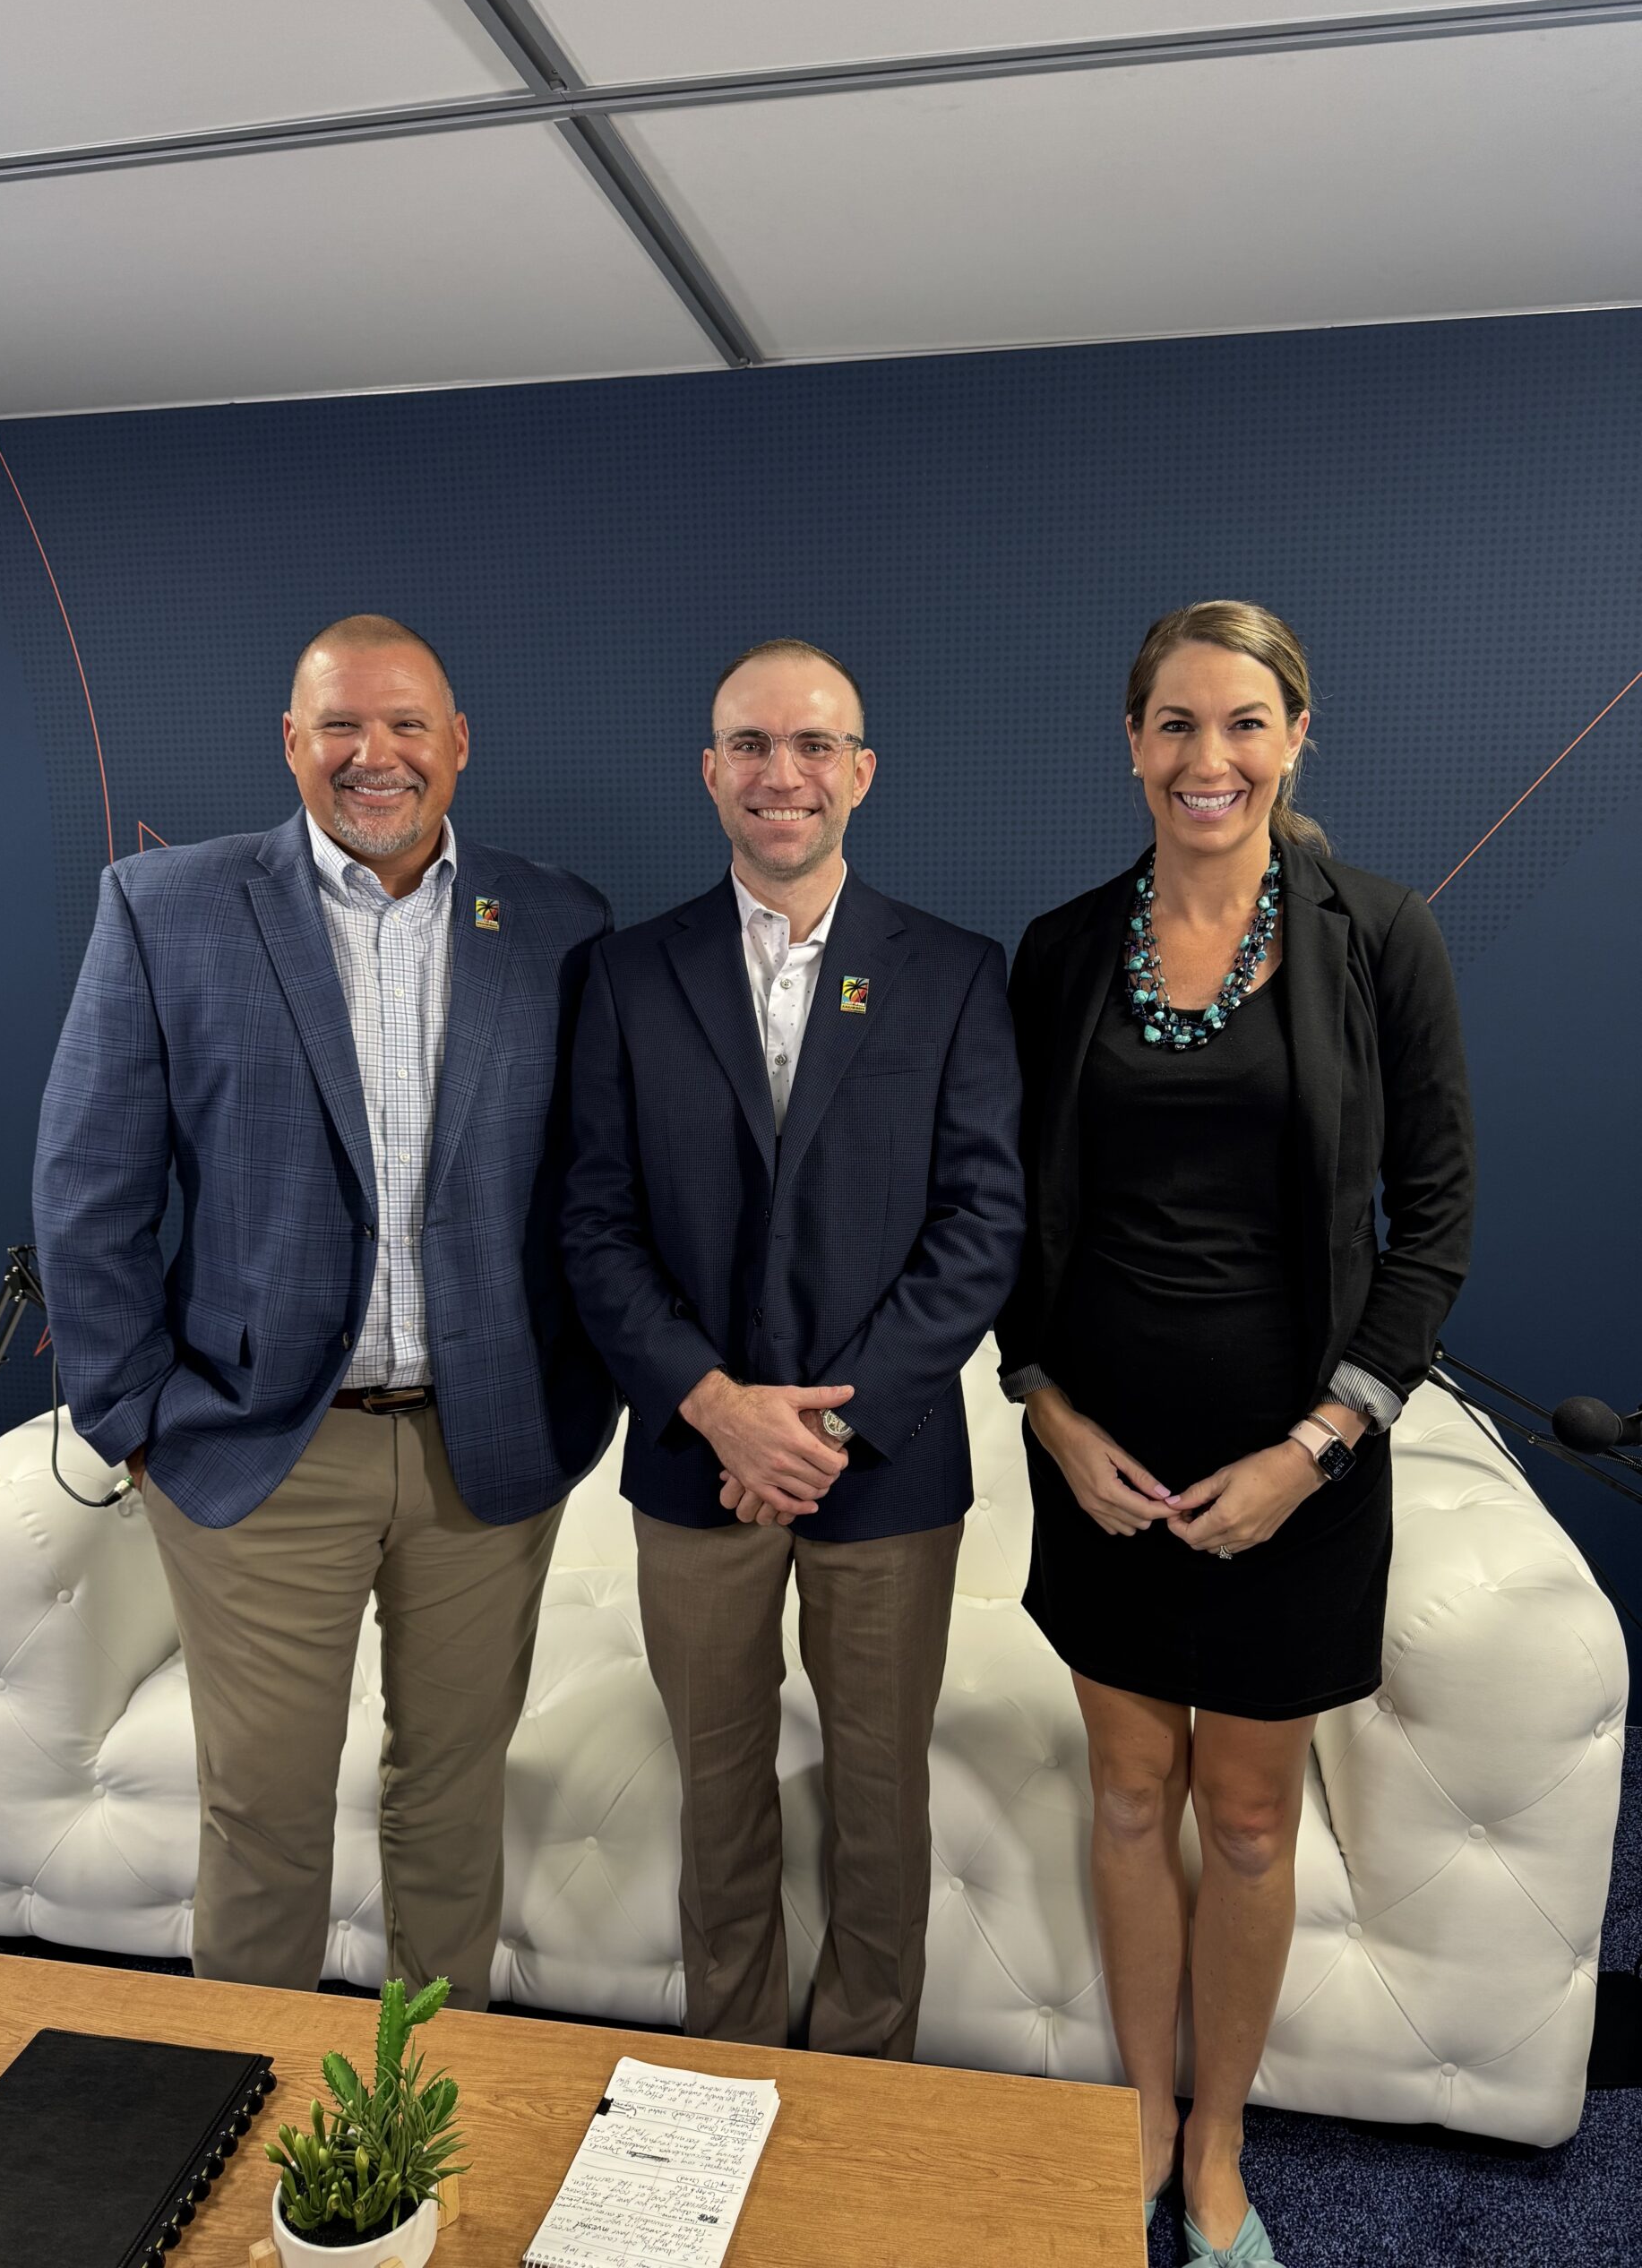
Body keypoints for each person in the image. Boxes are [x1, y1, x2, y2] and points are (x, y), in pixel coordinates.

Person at [33, 614, 617, 2006]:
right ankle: (240, 2120)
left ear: (458, 747)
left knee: (452, 1800)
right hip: (262, 1448)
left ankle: (422, 2121)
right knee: (266, 1816)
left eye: (409, 725)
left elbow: (599, 1191)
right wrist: (139, 1417)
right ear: (291, 744)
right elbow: (88, 1182)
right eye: (341, 726)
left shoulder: (557, 921)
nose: (377, 756)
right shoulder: (165, 908)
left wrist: (576, 1394)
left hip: (488, 1448)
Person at [998, 601, 1474, 2262]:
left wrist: (1320, 1444)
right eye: (1177, 726)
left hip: (1303, 1471)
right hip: (1101, 1468)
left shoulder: (1381, 935)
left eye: (1246, 725)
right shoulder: (1061, 951)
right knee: (1131, 1797)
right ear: (1132, 745)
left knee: (1252, 1816)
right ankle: (1138, 2112)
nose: (1211, 760)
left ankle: (1218, 2149)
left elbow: (1436, 1220)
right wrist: (1043, 1408)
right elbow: (1005, 1220)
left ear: (1294, 740)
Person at [563, 638, 1024, 2058]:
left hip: (881, 1471)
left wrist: (825, 1426)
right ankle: (728, 2072)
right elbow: (593, 1226)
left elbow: (983, 1222)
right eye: (752, 746)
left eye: (815, 746)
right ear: (711, 773)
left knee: (882, 1796)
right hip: (694, 1466)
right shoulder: (627, 976)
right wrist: (717, 1407)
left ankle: (863, 2082)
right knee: (718, 1792)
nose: (784, 774)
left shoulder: (951, 972)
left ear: (862, 774)